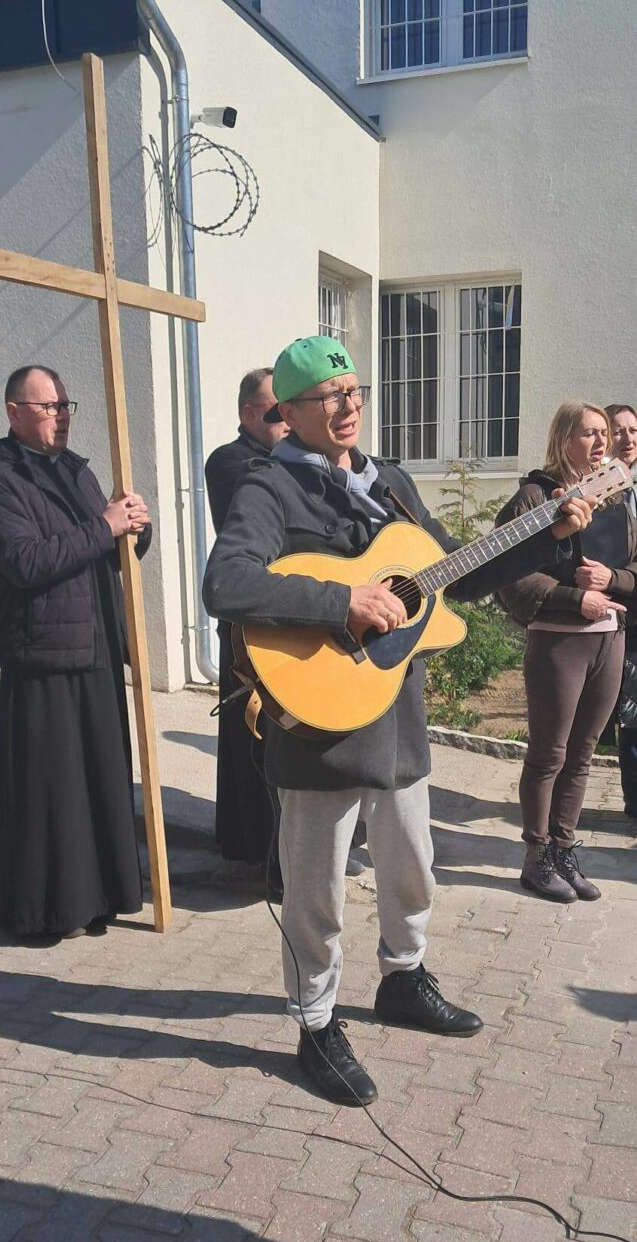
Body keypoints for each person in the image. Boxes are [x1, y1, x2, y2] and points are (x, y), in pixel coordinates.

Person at [203, 336, 594, 1106]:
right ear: (290, 411)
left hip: (396, 713)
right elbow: (226, 583)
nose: (348, 406)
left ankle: (402, 978)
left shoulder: (391, 483)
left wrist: (543, 536)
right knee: (316, 887)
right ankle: (316, 1022)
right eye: (329, 396)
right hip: (320, 720)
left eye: (354, 391)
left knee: (412, 861)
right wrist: (339, 600)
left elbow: (458, 577)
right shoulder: (267, 486)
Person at [0, 364, 151, 941]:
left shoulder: (75, 471)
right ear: (14, 412)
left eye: (66, 405)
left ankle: (102, 897)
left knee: (98, 784)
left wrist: (134, 528)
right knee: (54, 796)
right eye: (49, 407)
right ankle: (49, 909)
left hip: (95, 646)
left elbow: (106, 550)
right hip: (42, 655)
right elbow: (25, 562)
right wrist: (105, 527)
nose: (62, 416)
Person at [496, 401, 636, 903]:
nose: (601, 442)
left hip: (609, 638)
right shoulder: (534, 497)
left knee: (582, 755)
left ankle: (563, 850)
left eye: (604, 433)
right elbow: (509, 576)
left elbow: (633, 568)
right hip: (559, 641)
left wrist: (611, 580)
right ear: (563, 438)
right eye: (589, 433)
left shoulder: (615, 494)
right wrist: (577, 599)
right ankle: (535, 858)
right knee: (549, 755)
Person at [204, 369, 285, 874]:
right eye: (276, 410)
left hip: (288, 618)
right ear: (248, 413)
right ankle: (260, 846)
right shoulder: (229, 461)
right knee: (254, 738)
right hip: (246, 626)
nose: (286, 419)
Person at [604, 404, 637, 816]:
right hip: (615, 610)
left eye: (634, 430)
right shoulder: (597, 490)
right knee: (629, 715)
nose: (628, 438)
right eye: (618, 430)